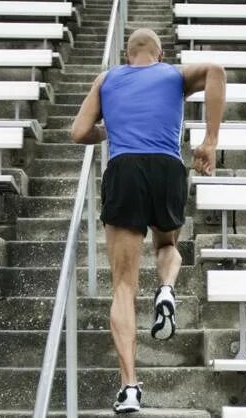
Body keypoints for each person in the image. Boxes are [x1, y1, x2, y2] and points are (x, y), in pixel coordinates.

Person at [71, 28, 226, 413]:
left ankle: (130, 388)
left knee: (123, 286)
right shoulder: (173, 75)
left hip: (124, 170)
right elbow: (216, 71)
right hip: (167, 168)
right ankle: (167, 290)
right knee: (168, 245)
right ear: (159, 54)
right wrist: (209, 141)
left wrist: (111, 129)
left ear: (127, 56)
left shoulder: (107, 80)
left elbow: (77, 132)